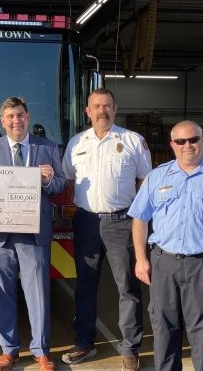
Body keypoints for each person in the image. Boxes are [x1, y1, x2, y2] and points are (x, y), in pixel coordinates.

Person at [128, 120, 203, 371]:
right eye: (181, 141)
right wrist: (141, 259)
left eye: (193, 139)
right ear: (173, 145)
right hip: (164, 263)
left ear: (202, 141)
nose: (188, 145)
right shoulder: (157, 176)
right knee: (163, 330)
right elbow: (140, 219)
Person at [61, 88, 152, 371]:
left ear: (115, 108)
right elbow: (69, 180)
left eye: (107, 106)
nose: (102, 110)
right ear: (87, 111)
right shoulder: (77, 143)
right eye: (96, 106)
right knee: (85, 285)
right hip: (86, 222)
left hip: (122, 223)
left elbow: (145, 183)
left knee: (127, 287)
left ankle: (130, 347)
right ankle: (84, 342)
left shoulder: (133, 141)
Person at [0, 97, 65, 371]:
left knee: (38, 293)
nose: (16, 121)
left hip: (34, 234)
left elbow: (60, 183)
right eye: (10, 117)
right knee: (2, 293)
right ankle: (9, 350)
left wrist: (48, 180)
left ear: (27, 117)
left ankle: (40, 351)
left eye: (20, 115)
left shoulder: (48, 148)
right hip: (0, 236)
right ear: (2, 121)